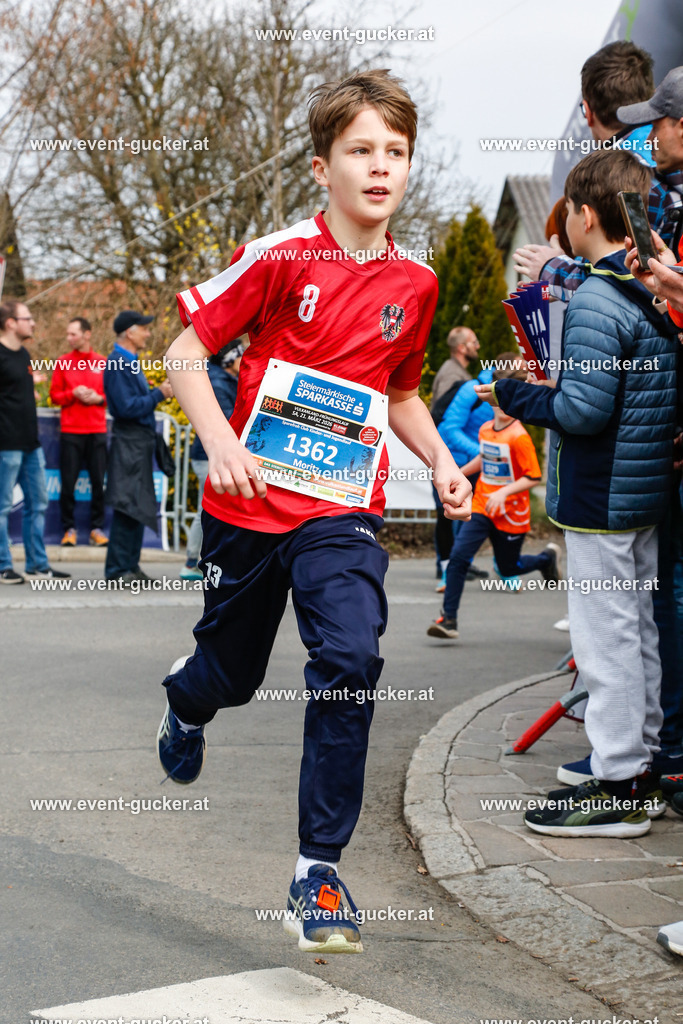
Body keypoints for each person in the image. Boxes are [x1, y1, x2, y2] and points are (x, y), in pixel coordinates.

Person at [156, 68, 472, 955]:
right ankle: (187, 697)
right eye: (360, 150)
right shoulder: (280, 256)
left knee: (350, 657)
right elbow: (183, 356)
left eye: (395, 152)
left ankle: (317, 870)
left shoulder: (415, 282)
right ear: (320, 167)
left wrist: (441, 460)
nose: (380, 167)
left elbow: (399, 393)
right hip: (249, 504)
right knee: (233, 676)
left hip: (341, 511)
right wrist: (221, 441)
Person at [475, 148, 679, 838]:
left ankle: (618, 785)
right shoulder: (649, 290)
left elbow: (583, 412)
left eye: (566, 213)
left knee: (605, 642)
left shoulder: (595, 294)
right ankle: (640, 765)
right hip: (641, 495)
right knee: (637, 632)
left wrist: (513, 394)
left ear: (584, 216)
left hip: (599, 500)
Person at [514, 42, 683, 294]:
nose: (650, 140)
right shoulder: (667, 159)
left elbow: (630, 279)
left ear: (588, 111)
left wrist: (554, 272)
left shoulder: (623, 176)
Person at [427, 357, 559, 640]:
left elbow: (533, 476)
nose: (499, 405)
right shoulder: (485, 429)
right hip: (482, 505)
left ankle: (545, 559)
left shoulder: (519, 437)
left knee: (510, 567)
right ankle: (448, 620)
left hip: (511, 512)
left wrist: (503, 492)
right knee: (459, 557)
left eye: (504, 399)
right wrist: (457, 473)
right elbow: (484, 459)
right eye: (495, 399)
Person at [0, 301, 70, 583]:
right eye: (27, 318)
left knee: (38, 503)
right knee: (2, 507)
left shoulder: (24, 354)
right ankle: (3, 565)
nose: (33, 323)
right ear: (10, 323)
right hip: (5, 444)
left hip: (31, 443)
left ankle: (37, 565)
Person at [103, 310, 172, 585]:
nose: (148, 333)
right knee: (128, 505)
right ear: (130, 332)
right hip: (129, 442)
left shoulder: (127, 361)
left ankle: (130, 565)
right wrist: (158, 394)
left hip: (136, 442)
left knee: (136, 505)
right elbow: (125, 408)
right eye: (143, 328)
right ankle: (118, 569)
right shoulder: (118, 363)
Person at [180, 339, 244, 580]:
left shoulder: (228, 379)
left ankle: (207, 559)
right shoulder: (217, 382)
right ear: (229, 358)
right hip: (208, 456)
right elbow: (229, 420)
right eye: (240, 355)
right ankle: (191, 562)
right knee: (206, 508)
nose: (244, 359)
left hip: (215, 455)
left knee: (214, 507)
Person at [49, 317, 108, 548]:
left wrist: (98, 398)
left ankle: (96, 529)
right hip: (71, 432)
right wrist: (72, 394)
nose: (69, 338)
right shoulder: (63, 362)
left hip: (97, 430)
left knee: (98, 484)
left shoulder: (103, 362)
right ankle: (69, 530)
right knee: (68, 484)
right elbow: (54, 396)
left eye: (73, 334)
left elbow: (112, 396)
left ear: (87, 334)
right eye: (68, 334)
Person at [430, 326, 479, 408]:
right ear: (462, 348)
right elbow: (442, 408)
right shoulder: (451, 374)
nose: (478, 346)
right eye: (474, 342)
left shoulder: (455, 370)